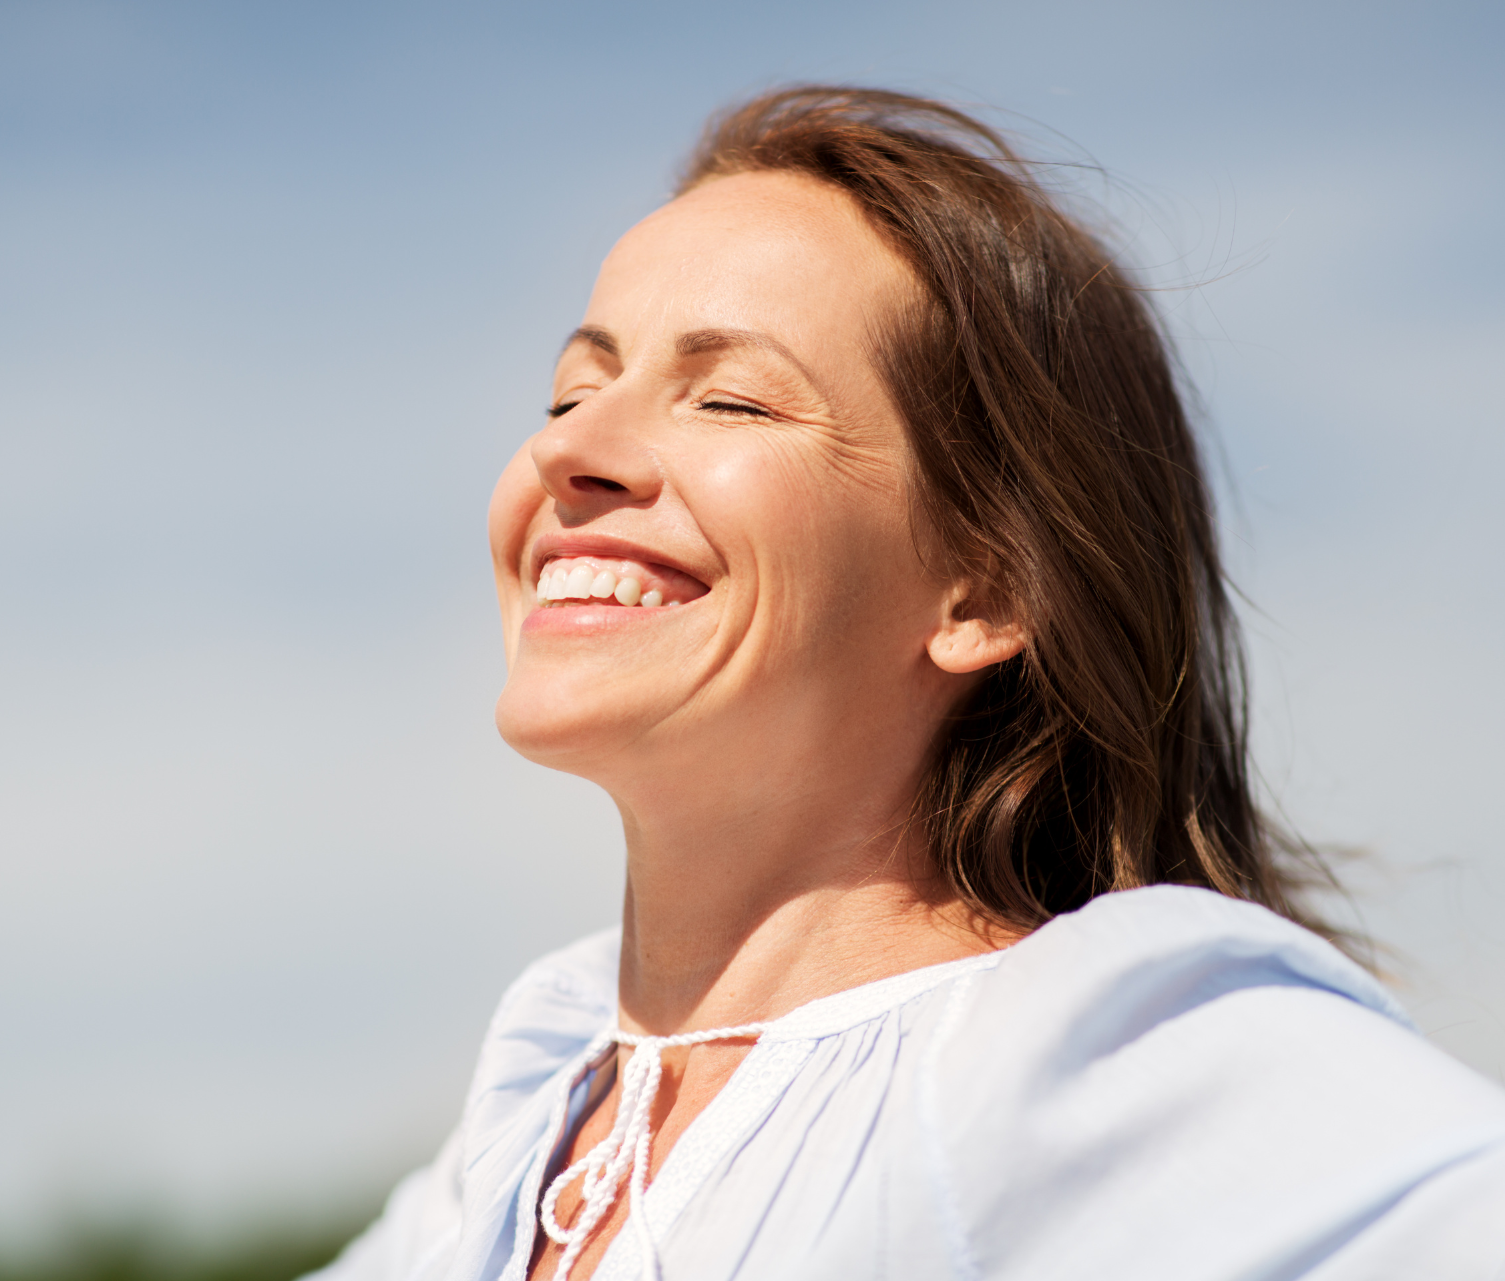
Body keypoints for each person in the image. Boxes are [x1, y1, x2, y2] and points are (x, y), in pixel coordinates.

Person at [307, 87, 1505, 1281]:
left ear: (983, 587)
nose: (567, 449)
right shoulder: (532, 1112)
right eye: (573, 391)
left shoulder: (1068, 1055)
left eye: (727, 397)